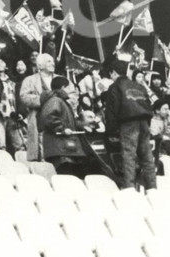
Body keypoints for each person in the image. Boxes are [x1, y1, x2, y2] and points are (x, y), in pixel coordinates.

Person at [102, 57, 157, 191]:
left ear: (113, 72)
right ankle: (152, 189)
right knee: (147, 158)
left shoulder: (114, 87)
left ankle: (129, 188)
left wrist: (111, 131)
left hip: (128, 124)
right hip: (144, 122)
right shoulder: (139, 86)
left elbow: (112, 111)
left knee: (129, 157)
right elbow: (148, 105)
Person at [38, 76, 96, 177]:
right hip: (60, 149)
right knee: (67, 176)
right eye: (70, 87)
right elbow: (48, 117)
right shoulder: (55, 100)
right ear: (64, 87)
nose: (72, 90)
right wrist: (62, 129)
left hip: (63, 148)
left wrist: (82, 125)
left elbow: (68, 121)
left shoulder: (59, 101)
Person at [17, 53, 56, 161]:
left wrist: (60, 102)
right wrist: (42, 99)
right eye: (49, 61)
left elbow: (73, 95)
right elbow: (24, 96)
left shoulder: (61, 79)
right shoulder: (29, 80)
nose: (53, 63)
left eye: (53, 61)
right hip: (38, 117)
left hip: (58, 119)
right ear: (40, 66)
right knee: (40, 148)